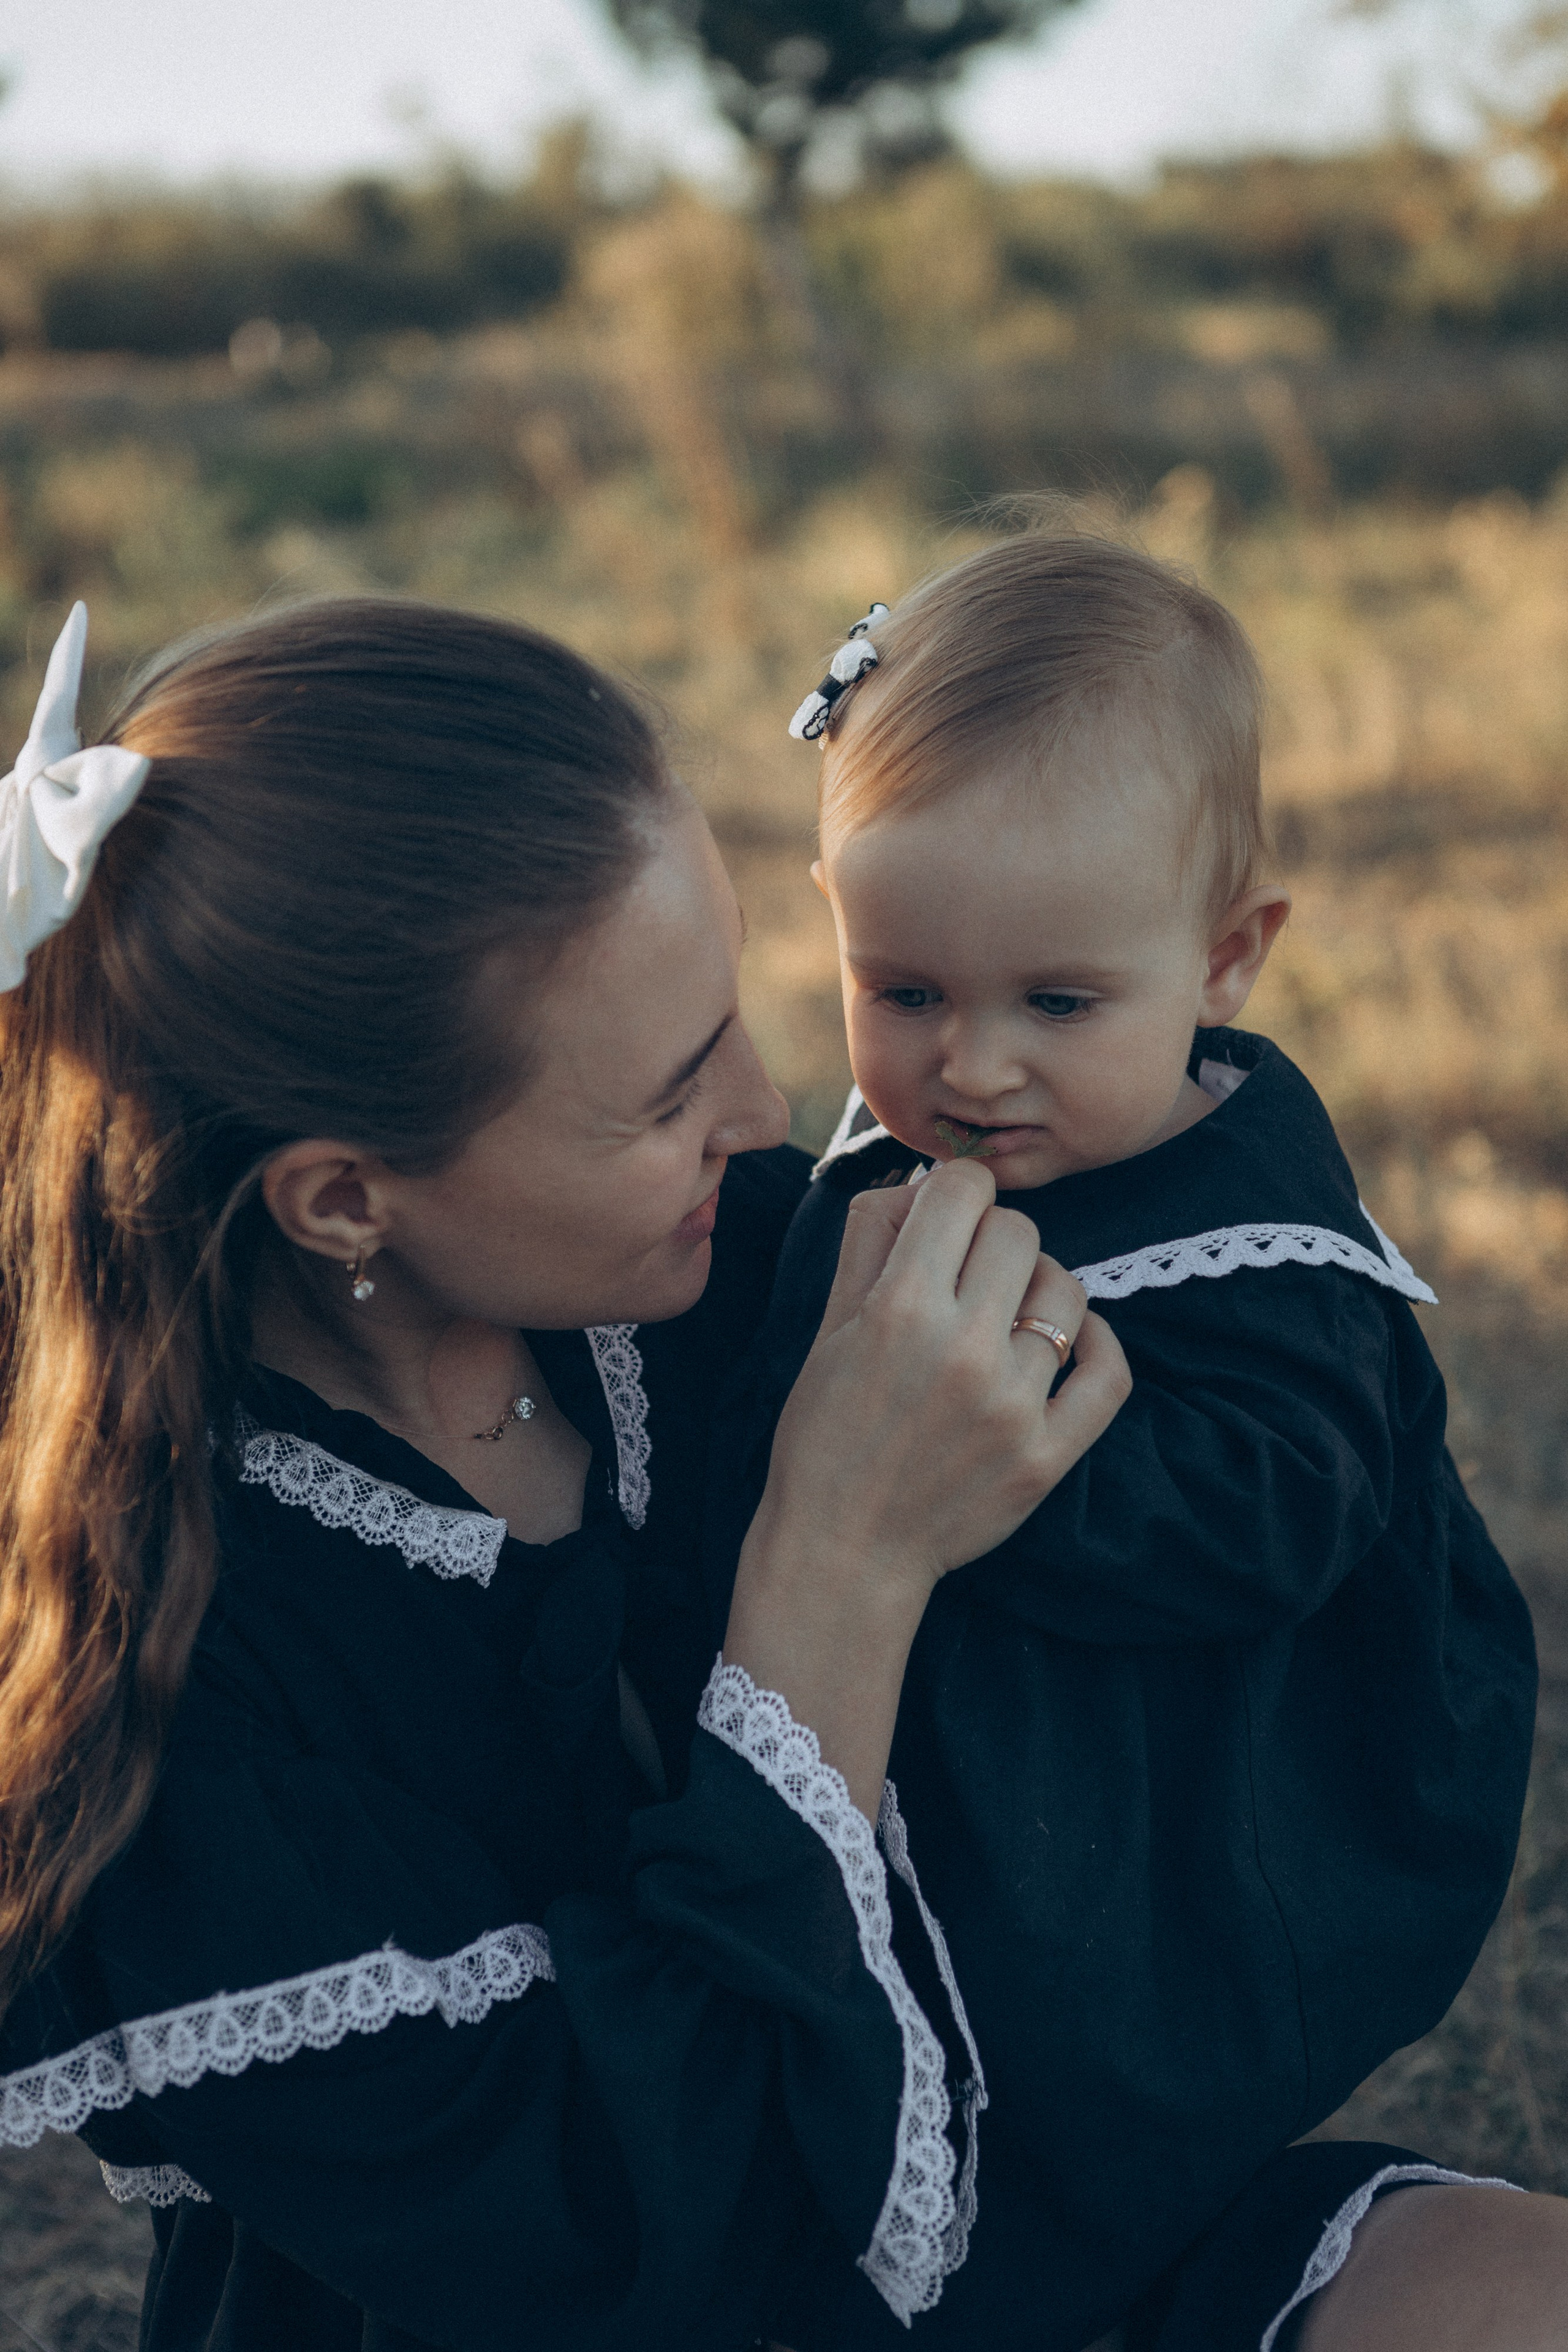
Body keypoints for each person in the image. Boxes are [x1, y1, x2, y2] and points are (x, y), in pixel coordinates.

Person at [0, 598, 1131, 2350]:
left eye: (736, 1015)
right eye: (667, 1091)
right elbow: (628, 2223)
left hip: (1013, 2238)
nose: (768, 1114)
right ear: (345, 1199)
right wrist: (839, 1565)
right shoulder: (164, 1679)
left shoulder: (698, 1276)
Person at [708, 529, 1567, 2351]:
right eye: (907, 990)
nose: (975, 1066)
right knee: (925, 2027)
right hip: (966, 1754)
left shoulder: (1265, 1246)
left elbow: (1270, 1511)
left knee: (1089, 2061)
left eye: (1058, 1004)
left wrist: (976, 1458)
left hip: (1176, 1778)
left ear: (1227, 960)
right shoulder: (897, 1156)